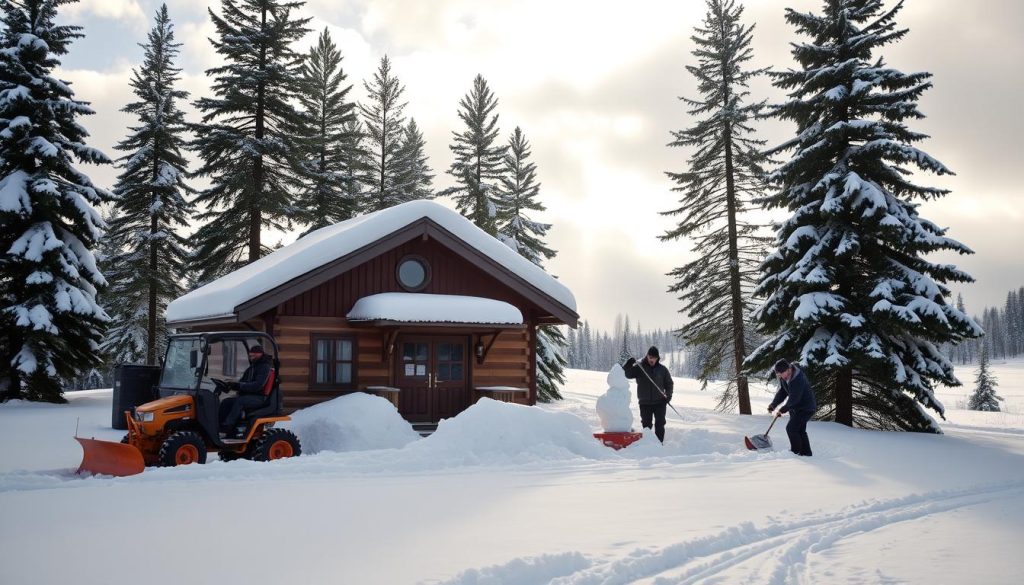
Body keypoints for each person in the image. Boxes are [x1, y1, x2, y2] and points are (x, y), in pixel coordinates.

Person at [220, 345, 273, 438]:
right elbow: (243, 381)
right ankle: (220, 426)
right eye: (250, 355)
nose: (251, 357)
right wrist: (233, 385)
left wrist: (240, 386)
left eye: (253, 355)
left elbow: (257, 385)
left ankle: (227, 426)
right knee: (226, 402)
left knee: (240, 401)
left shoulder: (264, 367)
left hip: (260, 397)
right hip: (250, 395)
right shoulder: (252, 367)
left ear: (260, 354)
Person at [623, 346, 674, 443]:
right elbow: (627, 374)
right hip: (644, 403)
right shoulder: (640, 368)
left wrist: (668, 395)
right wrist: (629, 363)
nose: (652, 360)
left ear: (657, 358)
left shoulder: (662, 370)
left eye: (654, 358)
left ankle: (659, 444)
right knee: (646, 425)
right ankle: (648, 445)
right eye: (650, 357)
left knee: (660, 424)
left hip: (660, 402)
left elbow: (669, 384)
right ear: (647, 356)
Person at [767, 359, 816, 456]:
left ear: (788, 369)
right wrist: (774, 404)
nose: (780, 376)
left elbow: (795, 397)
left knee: (791, 428)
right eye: (778, 374)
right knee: (800, 430)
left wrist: (784, 408)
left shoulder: (798, 378)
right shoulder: (784, 377)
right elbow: (783, 392)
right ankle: (806, 453)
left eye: (781, 373)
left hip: (806, 408)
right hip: (795, 407)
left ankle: (795, 452)